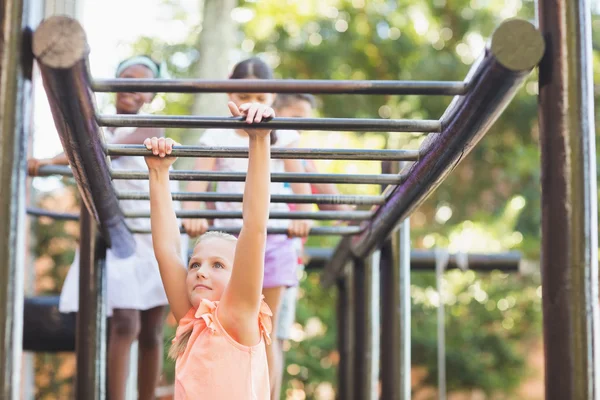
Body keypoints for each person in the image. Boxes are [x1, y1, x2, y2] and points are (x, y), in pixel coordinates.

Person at [28, 56, 187, 400]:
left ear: (151, 96)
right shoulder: (96, 122)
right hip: (119, 236)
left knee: (151, 328)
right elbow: (81, 144)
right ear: (113, 82)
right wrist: (44, 162)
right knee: (125, 321)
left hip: (153, 232)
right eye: (125, 78)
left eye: (142, 85)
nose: (131, 88)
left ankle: (144, 395)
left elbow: (99, 150)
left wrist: (55, 160)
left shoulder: (150, 125)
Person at [181, 57, 312, 399]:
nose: (250, 104)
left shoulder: (283, 133)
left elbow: (302, 188)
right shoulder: (217, 134)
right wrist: (194, 213)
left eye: (259, 97)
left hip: (275, 239)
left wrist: (302, 217)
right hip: (227, 244)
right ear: (228, 92)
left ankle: (268, 395)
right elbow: (196, 187)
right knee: (225, 323)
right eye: (242, 95)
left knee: (266, 329)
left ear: (273, 96)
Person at [143, 100, 275, 399]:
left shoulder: (238, 316)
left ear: (238, 274)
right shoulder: (192, 321)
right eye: (195, 265)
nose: (201, 271)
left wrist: (258, 139)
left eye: (217, 265)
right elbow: (166, 250)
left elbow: (254, 226)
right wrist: (159, 172)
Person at [272, 93, 355, 396]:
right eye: (295, 117)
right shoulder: (256, 142)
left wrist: (359, 215)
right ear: (274, 109)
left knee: (274, 337)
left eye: (304, 120)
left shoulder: (300, 154)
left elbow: (331, 201)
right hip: (248, 245)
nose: (300, 126)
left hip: (286, 252)